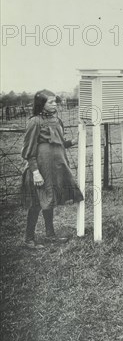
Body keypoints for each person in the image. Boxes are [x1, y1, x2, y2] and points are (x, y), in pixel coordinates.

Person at [21, 91, 84, 249]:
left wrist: (73, 141)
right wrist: (35, 172)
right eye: (51, 102)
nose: (55, 104)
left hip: (55, 168)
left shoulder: (56, 120)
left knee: (49, 199)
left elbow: (59, 143)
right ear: (41, 104)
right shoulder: (34, 122)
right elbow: (28, 151)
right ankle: (29, 239)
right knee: (36, 202)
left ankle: (50, 235)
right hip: (40, 169)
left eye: (55, 101)